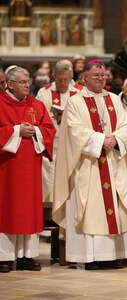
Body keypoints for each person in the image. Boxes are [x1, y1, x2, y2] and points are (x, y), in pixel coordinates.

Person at [52, 60, 127, 270]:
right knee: (90, 207)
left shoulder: (115, 99)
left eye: (103, 75)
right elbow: (74, 130)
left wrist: (115, 139)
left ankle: (115, 255)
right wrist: (100, 141)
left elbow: (126, 125)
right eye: (96, 75)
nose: (101, 78)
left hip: (112, 162)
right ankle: (91, 257)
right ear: (85, 77)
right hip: (88, 164)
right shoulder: (75, 102)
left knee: (114, 207)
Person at [0, 67, 56, 273]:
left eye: (27, 81)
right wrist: (16, 130)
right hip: (6, 168)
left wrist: (37, 132)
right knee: (7, 210)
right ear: (10, 84)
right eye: (22, 82)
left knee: (29, 211)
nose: (27, 85)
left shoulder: (37, 105)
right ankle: (4, 257)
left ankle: (27, 256)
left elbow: (50, 130)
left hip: (31, 168)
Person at [36, 62, 82, 203]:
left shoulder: (80, 92)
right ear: (53, 76)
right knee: (49, 181)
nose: (62, 83)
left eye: (66, 80)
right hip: (52, 145)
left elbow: (85, 119)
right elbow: (38, 117)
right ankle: (48, 214)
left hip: (72, 145)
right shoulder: (44, 92)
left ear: (71, 77)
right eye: (59, 79)